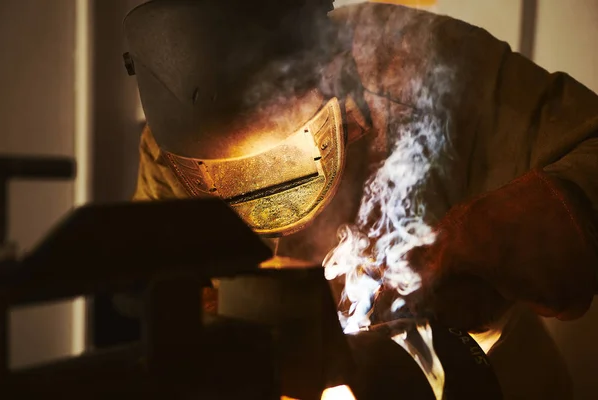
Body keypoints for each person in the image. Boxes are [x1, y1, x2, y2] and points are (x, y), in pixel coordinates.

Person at [124, 0, 598, 398]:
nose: (270, 197)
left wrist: (487, 242)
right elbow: (156, 286)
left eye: (284, 155)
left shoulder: (426, 61)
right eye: (231, 179)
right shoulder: (171, 154)